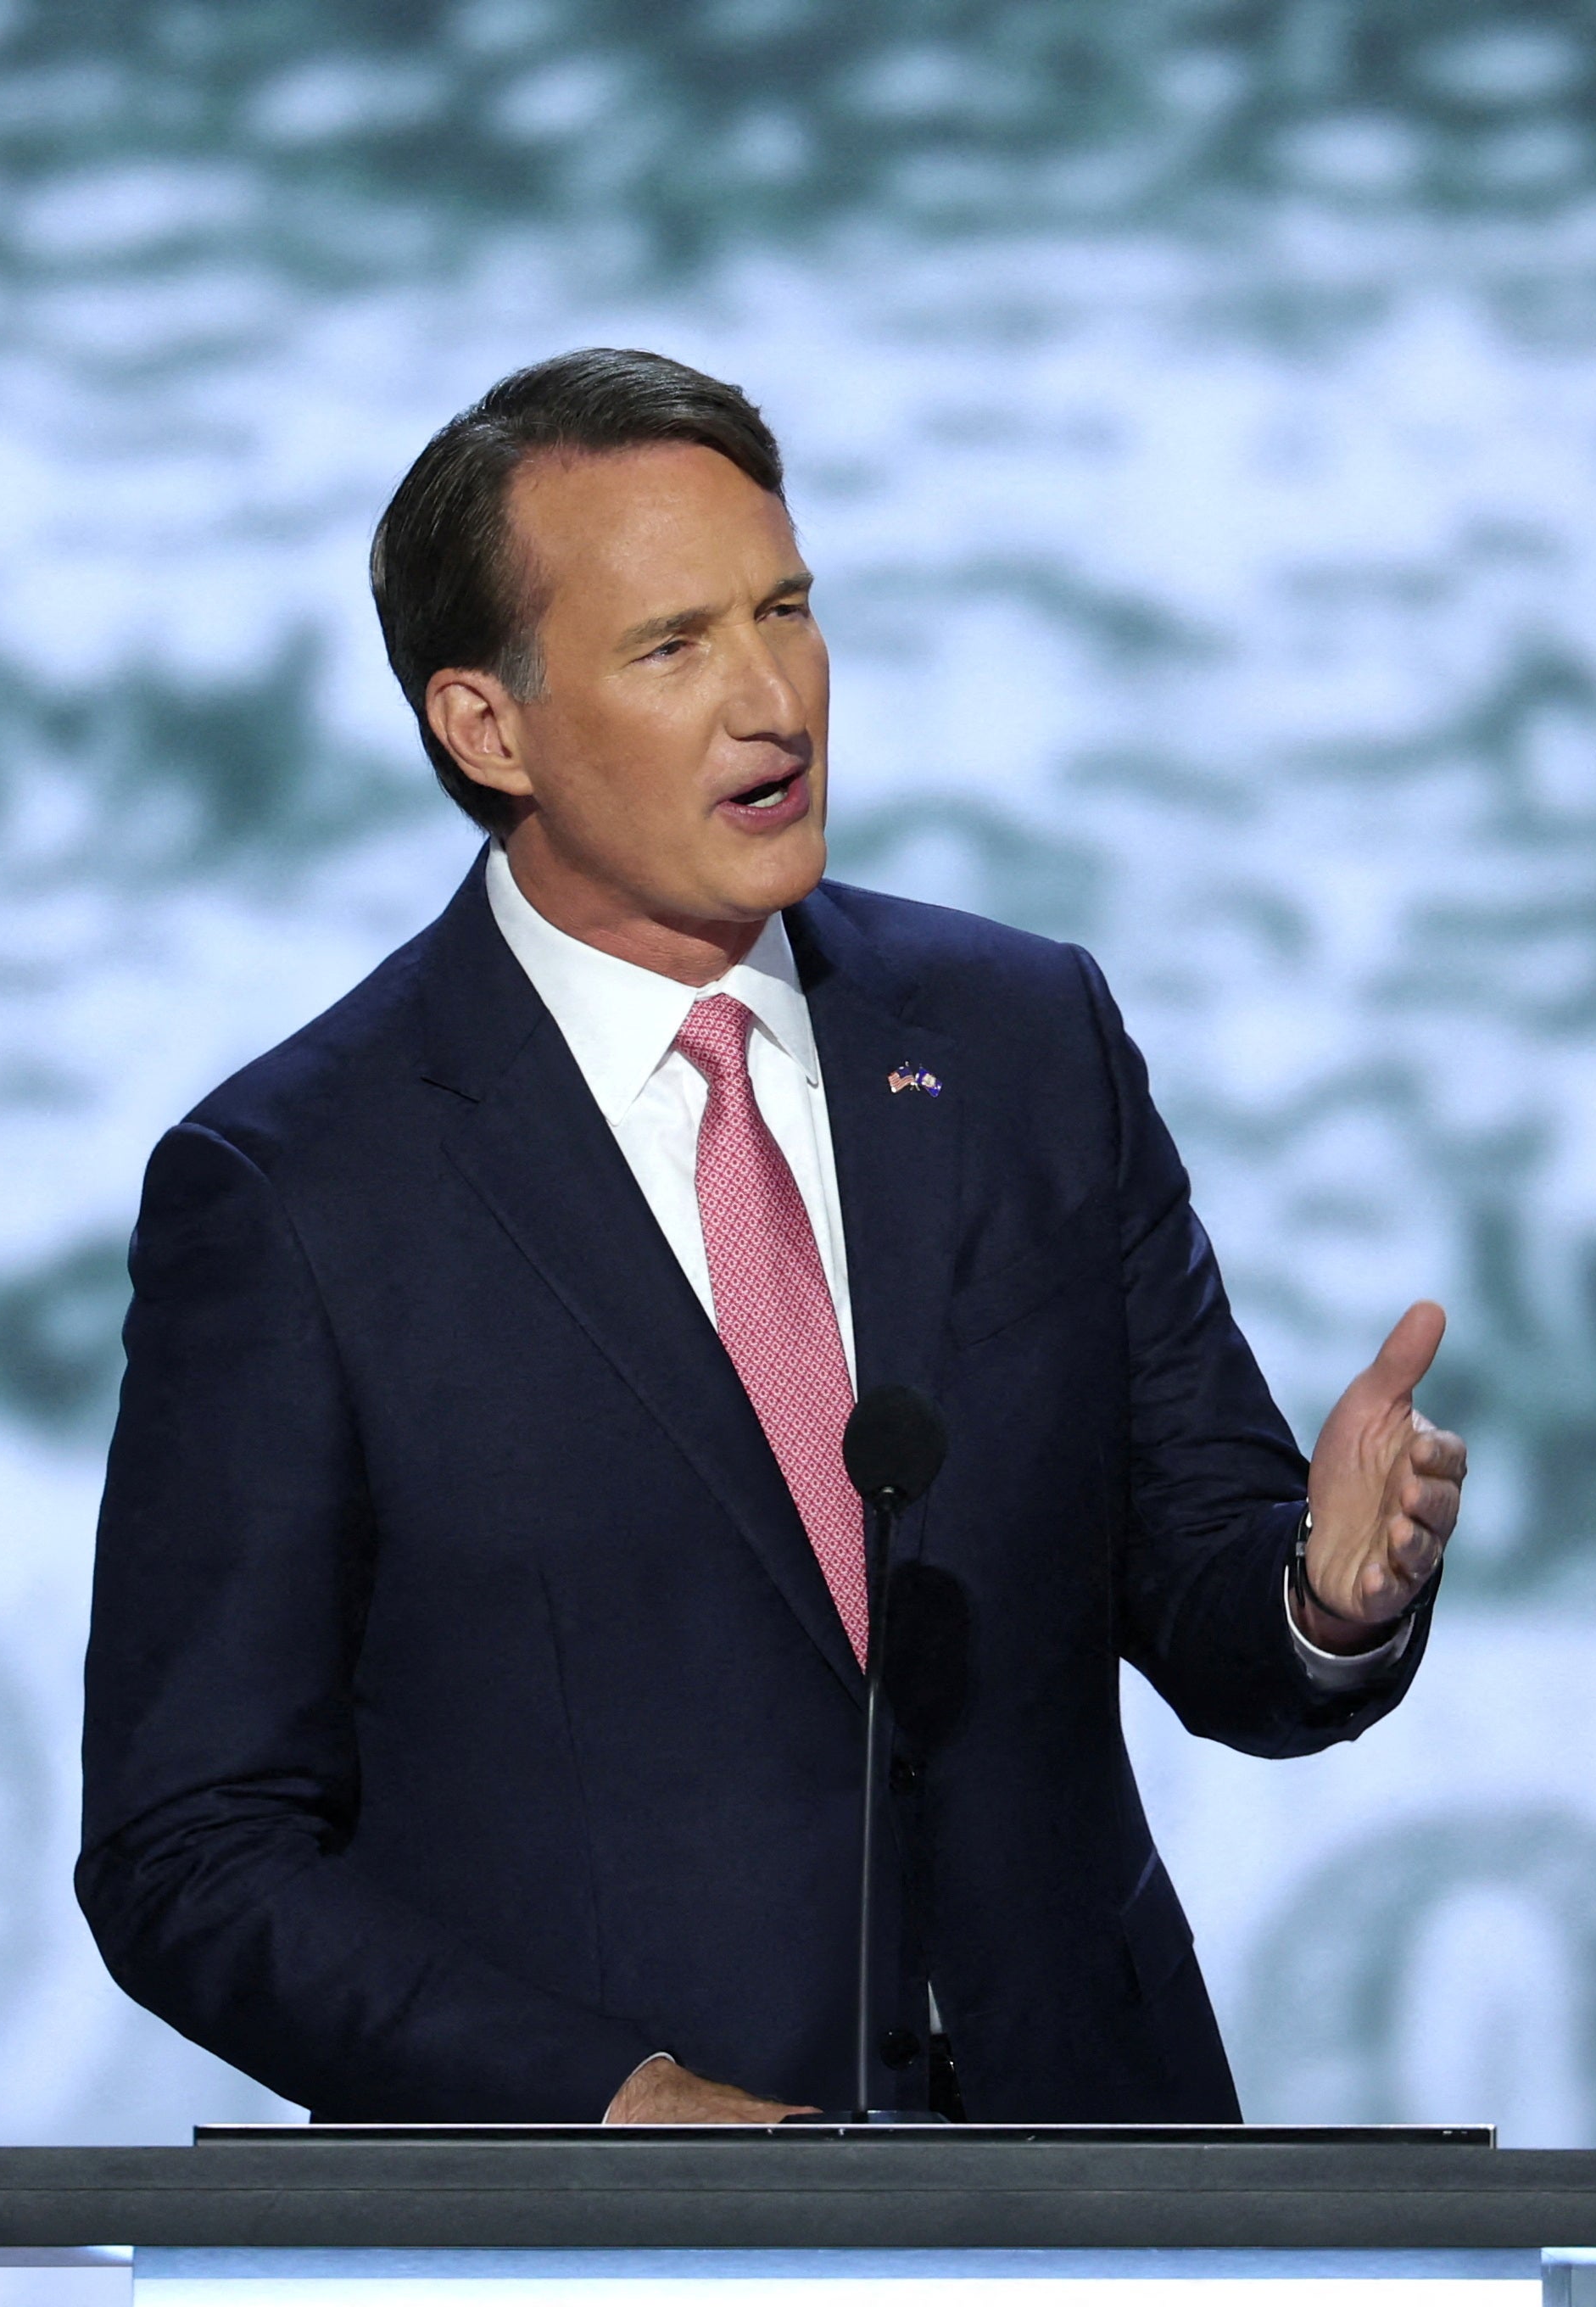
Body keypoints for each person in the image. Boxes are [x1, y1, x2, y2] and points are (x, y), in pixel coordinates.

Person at [76, 349, 1467, 2125]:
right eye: (677, 646)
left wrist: (1325, 1597)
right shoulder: (299, 1190)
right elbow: (190, 1851)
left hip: (1086, 2197)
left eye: (788, 612)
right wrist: (616, 2104)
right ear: (483, 724)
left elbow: (1214, 1602)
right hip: (616, 2254)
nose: (775, 701)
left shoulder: (1024, 1042)